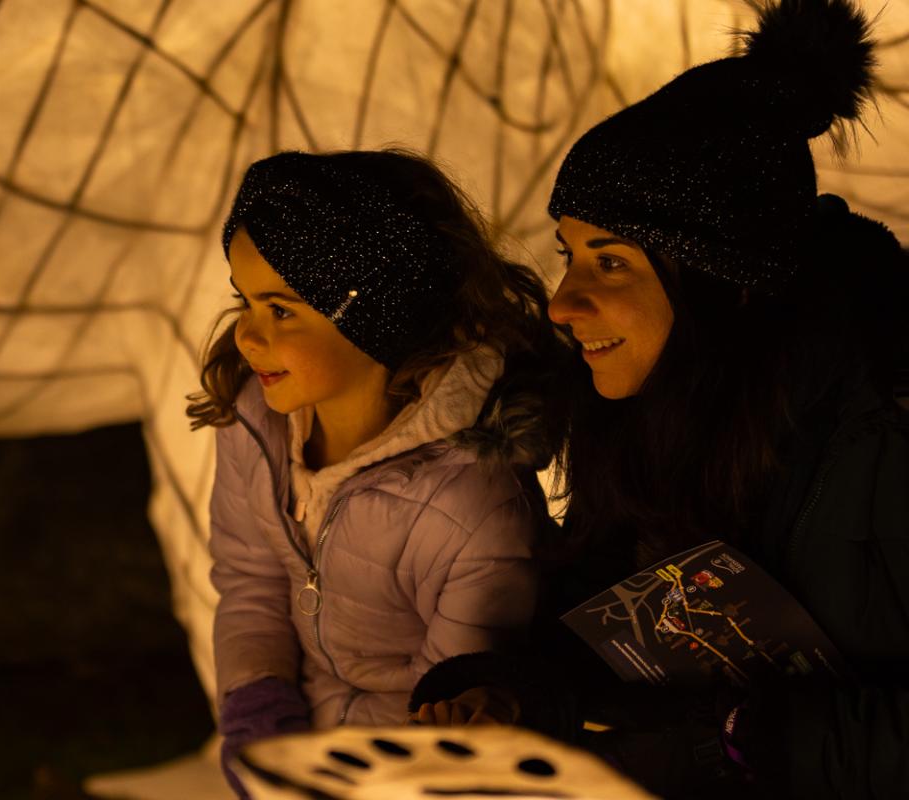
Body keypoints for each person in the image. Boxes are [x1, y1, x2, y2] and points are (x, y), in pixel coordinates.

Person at [408, 1, 909, 797]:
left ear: (726, 281)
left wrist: (742, 743)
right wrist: (515, 699)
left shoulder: (885, 421)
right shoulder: (654, 408)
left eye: (611, 265)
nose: (563, 304)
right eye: (569, 255)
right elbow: (618, 623)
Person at [186, 148, 568, 793]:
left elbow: (454, 704)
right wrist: (259, 721)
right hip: (301, 746)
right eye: (244, 301)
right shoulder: (257, 419)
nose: (248, 337)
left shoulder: (472, 509)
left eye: (281, 310)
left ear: (375, 319)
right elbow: (251, 578)